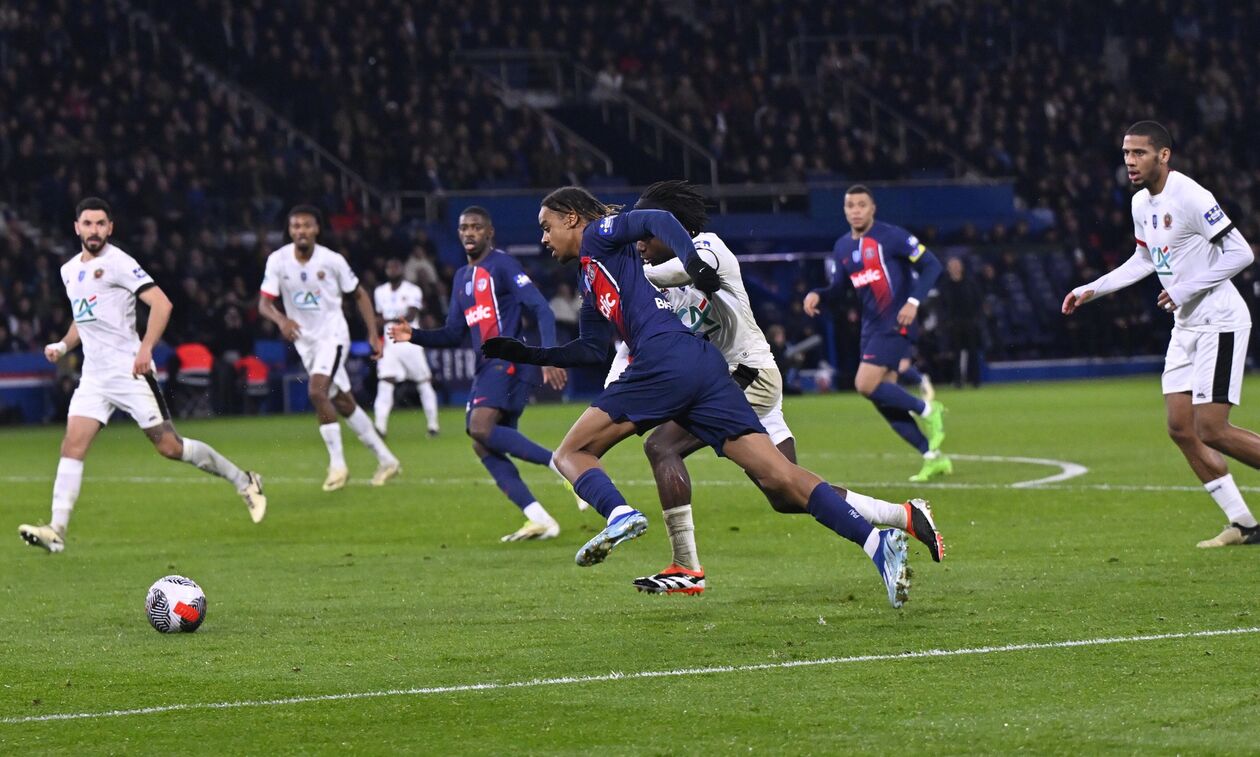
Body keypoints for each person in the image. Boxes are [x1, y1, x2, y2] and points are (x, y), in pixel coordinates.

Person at [474, 186, 935, 608]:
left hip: (709, 367)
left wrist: (690, 263)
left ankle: (629, 522)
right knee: (781, 481)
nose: (543, 238)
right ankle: (881, 540)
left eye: (546, 227)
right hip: (708, 370)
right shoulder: (598, 277)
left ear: (572, 218)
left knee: (577, 452)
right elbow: (593, 348)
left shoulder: (614, 238)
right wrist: (527, 352)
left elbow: (657, 224)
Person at [625, 180, 944, 595]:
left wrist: (626, 270)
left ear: (670, 227)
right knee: (786, 492)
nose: (639, 245)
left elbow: (675, 270)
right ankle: (904, 516)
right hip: (746, 378)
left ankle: (686, 566)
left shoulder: (707, 248)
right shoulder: (665, 283)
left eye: (645, 234)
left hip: (745, 376)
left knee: (661, 446)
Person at [18, 198, 265, 553]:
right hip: (94, 378)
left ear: (110, 227)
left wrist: (146, 348)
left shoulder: (119, 263)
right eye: (87, 223)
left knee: (170, 447)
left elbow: (162, 305)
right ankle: (56, 530)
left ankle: (244, 480)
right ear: (76, 227)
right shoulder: (69, 270)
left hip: (129, 372)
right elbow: (82, 316)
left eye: (101, 223)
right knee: (72, 445)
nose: (94, 230)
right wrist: (62, 344)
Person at [1063, 120, 1260, 548]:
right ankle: (1243, 524)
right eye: (1126, 154)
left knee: (1212, 428)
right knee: (1179, 427)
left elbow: (1241, 252)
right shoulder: (1140, 204)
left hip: (1219, 321)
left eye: (1139, 153)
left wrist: (1187, 287)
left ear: (1163, 155)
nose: (1130, 162)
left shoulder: (1190, 195)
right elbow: (1143, 260)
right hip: (1186, 325)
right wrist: (1091, 289)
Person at [389, 206, 584, 542]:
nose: (469, 233)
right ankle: (540, 519)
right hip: (488, 366)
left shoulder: (502, 265)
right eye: (464, 227)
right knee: (483, 444)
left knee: (478, 427)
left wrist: (550, 355)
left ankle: (565, 467)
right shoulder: (462, 278)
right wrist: (415, 335)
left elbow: (540, 307)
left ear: (489, 232)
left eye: (476, 227)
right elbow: (452, 333)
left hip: (509, 359)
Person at [804, 185, 950, 482]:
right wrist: (819, 294)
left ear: (873, 209)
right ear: (844, 210)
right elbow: (839, 288)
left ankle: (929, 409)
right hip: (871, 327)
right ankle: (931, 456)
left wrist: (913, 302)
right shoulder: (842, 247)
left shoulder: (892, 236)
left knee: (864, 384)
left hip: (897, 321)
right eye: (850, 205)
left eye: (861, 205)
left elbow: (932, 265)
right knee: (884, 398)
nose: (856, 210)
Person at [258, 205, 400, 491]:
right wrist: (281, 319)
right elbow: (264, 303)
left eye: (307, 225)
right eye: (296, 226)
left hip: (332, 336)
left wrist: (373, 334)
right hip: (305, 342)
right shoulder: (278, 260)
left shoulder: (332, 260)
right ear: (290, 230)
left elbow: (359, 295)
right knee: (344, 402)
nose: (301, 231)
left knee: (316, 391)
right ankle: (387, 460)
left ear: (317, 229)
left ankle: (337, 465)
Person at [373, 258, 440, 438]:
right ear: (386, 270)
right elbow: (378, 317)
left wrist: (386, 319)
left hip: (410, 343)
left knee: (423, 382)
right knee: (385, 381)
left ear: (401, 270)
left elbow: (410, 316)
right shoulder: (380, 292)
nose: (393, 269)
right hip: (390, 344)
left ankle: (433, 425)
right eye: (390, 266)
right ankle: (380, 427)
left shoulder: (412, 290)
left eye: (396, 266)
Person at [937, 257, 985, 387]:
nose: (955, 268)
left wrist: (976, 319)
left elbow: (978, 301)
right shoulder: (945, 286)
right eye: (952, 266)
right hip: (953, 324)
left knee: (973, 352)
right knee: (956, 353)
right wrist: (946, 322)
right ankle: (958, 380)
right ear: (948, 268)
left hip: (970, 322)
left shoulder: (970, 283)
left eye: (957, 265)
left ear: (961, 267)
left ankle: (975, 380)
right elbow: (941, 306)